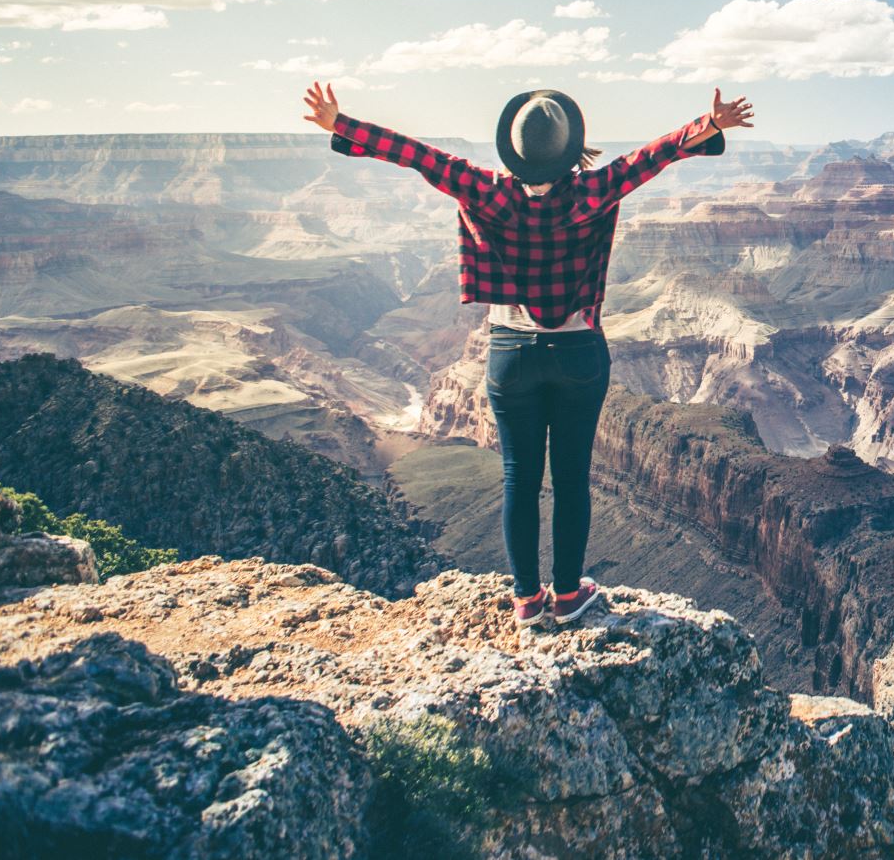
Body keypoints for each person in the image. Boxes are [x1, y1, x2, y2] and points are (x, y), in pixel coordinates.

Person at [301, 80, 755, 630]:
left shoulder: (483, 190)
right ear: (568, 147)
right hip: (578, 354)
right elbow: (650, 158)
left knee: (519, 476)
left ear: (513, 148)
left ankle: (525, 599)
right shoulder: (593, 192)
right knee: (570, 478)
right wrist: (707, 127)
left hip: (510, 352)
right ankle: (567, 595)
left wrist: (340, 124)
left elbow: (415, 154)